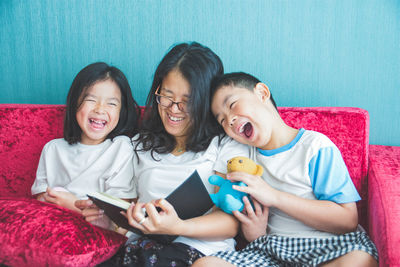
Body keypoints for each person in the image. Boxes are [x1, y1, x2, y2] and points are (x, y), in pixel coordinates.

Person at [76, 42, 249, 267]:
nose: (173, 109)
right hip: (142, 249)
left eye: (186, 102)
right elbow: (129, 212)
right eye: (166, 96)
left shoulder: (225, 144)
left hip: (200, 252)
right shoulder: (139, 144)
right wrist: (109, 221)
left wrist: (178, 227)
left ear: (205, 102)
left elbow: (231, 223)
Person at [192, 72, 378, 266]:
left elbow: (347, 221)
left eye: (232, 105)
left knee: (360, 260)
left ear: (262, 93)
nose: (229, 120)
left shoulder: (314, 146)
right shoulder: (245, 158)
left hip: (330, 247)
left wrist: (275, 197)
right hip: (272, 251)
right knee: (205, 264)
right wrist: (254, 233)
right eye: (222, 120)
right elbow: (245, 221)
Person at [31, 62, 140, 218]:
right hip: (57, 222)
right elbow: (41, 197)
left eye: (111, 103)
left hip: (99, 226)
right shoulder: (52, 149)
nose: (100, 109)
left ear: (122, 112)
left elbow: (118, 209)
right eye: (91, 100)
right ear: (75, 103)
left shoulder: (121, 148)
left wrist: (75, 206)